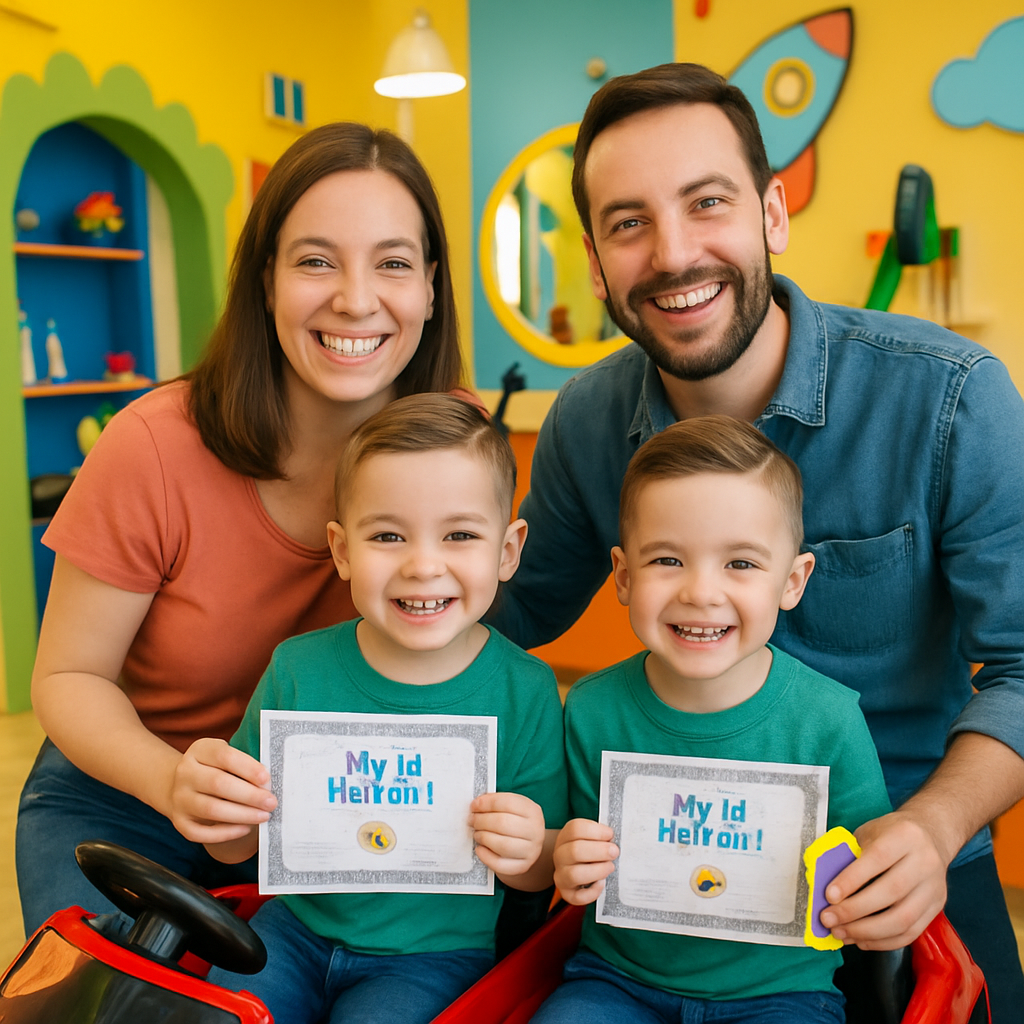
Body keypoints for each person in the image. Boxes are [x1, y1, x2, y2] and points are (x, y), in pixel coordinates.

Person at [489, 63, 1024, 1020]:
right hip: (649, 901)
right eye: (629, 223)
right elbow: (499, 624)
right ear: (597, 256)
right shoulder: (585, 420)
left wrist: (932, 829)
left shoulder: (951, 399)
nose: (673, 253)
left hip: (896, 862)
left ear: (774, 214)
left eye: (708, 203)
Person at [19, 122, 467, 935]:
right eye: (315, 260)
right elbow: (67, 680)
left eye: (394, 263)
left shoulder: (460, 450)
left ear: (432, 287)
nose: (357, 299)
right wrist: (169, 779)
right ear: (266, 281)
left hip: (336, 802)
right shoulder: (153, 445)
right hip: (125, 791)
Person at [175, 394, 568, 1024]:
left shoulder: (525, 689)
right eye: (388, 535)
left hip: (433, 958)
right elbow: (237, 847)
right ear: (342, 549)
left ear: (508, 550)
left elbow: (544, 870)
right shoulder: (297, 669)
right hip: (291, 932)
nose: (422, 565)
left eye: (460, 534)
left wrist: (529, 848)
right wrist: (214, 811)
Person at [532, 416, 891, 1024]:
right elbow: (554, 849)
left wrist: (864, 894)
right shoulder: (589, 710)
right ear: (622, 576)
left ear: (793, 581)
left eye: (741, 564)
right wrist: (560, 855)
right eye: (667, 559)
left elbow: (872, 864)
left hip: (782, 996)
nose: (701, 592)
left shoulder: (830, 720)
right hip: (614, 983)